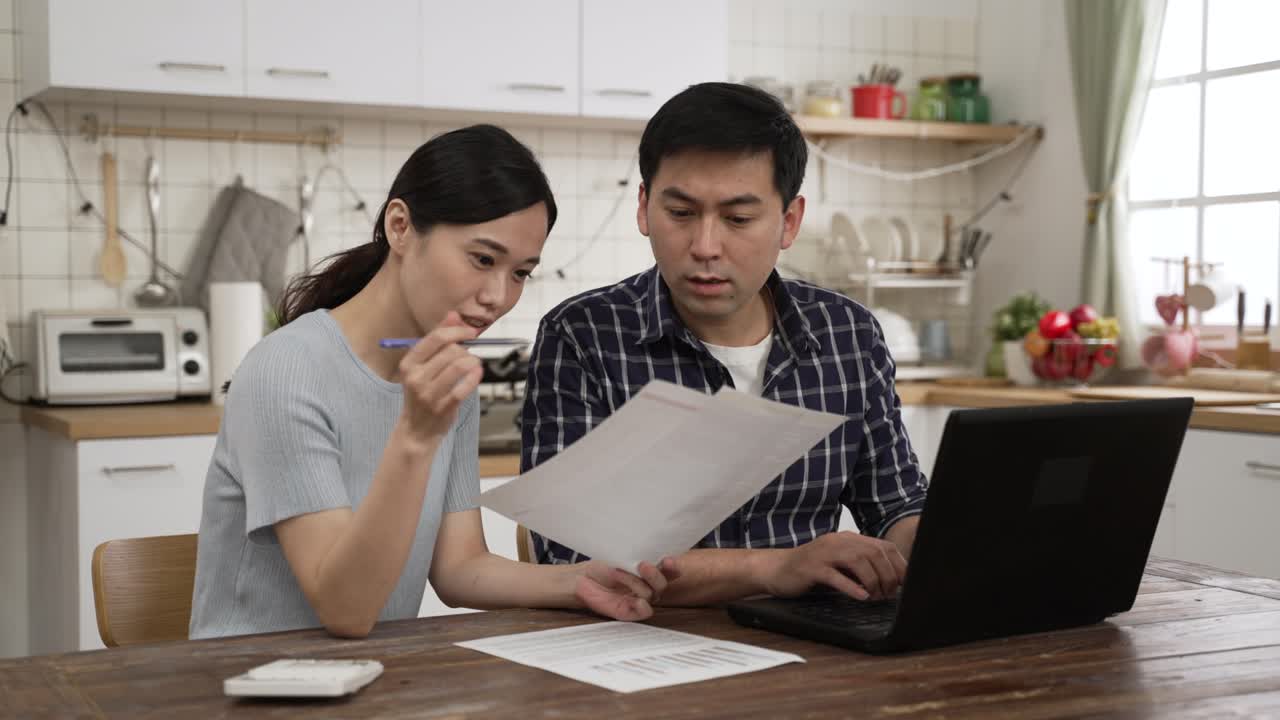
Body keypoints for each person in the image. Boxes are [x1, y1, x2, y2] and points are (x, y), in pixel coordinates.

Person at [190, 124, 675, 640]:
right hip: (253, 685)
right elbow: (346, 609)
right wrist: (416, 436)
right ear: (400, 227)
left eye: (520, 273)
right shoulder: (285, 372)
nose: (498, 296)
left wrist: (577, 582)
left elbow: (458, 567)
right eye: (483, 259)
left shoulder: (443, 372)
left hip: (370, 678)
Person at [520, 83, 927, 606]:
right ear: (644, 208)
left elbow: (894, 505)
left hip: (815, 650)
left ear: (789, 221)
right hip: (641, 649)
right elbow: (568, 560)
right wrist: (774, 567)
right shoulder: (583, 336)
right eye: (681, 213)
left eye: (738, 219)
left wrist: (941, 544)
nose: (706, 247)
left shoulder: (847, 333)